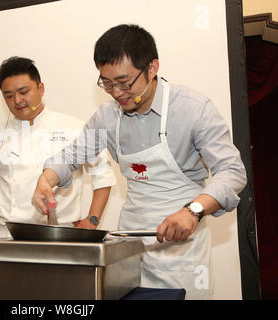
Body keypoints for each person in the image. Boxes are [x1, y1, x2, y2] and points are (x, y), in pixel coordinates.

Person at [31, 25, 247, 299]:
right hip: (130, 244)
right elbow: (70, 156)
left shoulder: (193, 109)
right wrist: (46, 179)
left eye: (124, 82)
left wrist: (193, 210)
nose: (116, 92)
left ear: (152, 67)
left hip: (183, 248)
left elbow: (232, 171)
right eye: (106, 83)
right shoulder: (107, 117)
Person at [0, 56, 116, 238]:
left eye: (24, 92)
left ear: (41, 89)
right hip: (9, 235)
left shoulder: (73, 127)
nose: (17, 100)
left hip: (61, 233)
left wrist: (92, 220)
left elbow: (103, 175)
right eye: (9, 96)